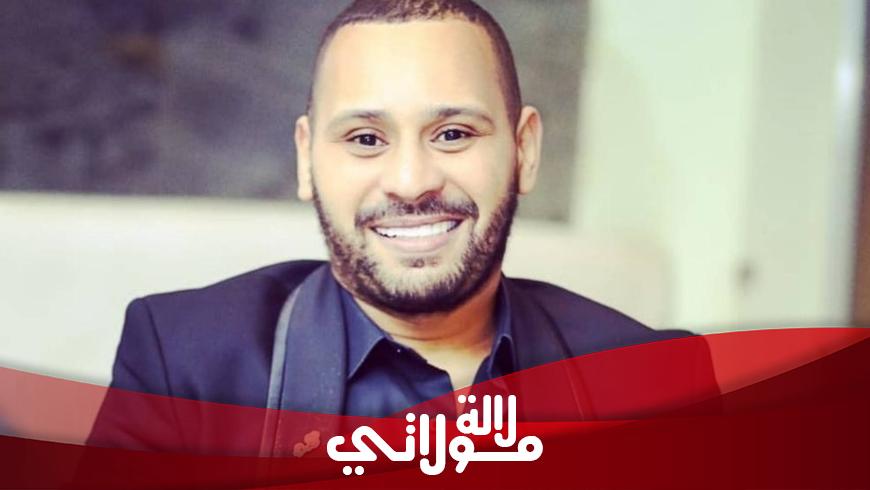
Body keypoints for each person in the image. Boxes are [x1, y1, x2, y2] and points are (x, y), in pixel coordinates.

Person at [88, 0, 718, 454]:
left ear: (524, 150)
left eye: (453, 133)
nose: (412, 182)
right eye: (366, 139)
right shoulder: (182, 366)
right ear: (307, 160)